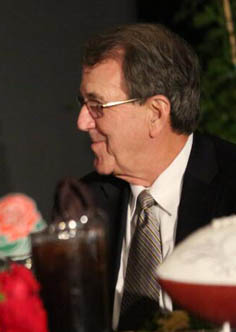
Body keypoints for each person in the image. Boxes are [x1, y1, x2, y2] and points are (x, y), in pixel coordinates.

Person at [77, 23, 236, 331]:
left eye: (97, 106)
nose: (82, 121)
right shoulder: (86, 200)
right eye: (83, 104)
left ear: (156, 113)